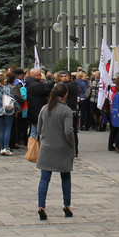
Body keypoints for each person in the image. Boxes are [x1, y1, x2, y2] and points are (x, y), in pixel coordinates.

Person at [35, 82, 76, 221]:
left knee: (44, 178)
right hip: (62, 147)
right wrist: (72, 144)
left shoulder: (44, 108)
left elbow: (39, 128)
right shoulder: (66, 110)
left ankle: (41, 207)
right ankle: (67, 205)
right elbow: (69, 130)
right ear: (65, 95)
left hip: (46, 147)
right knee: (65, 177)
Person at [0, 74, 15, 155]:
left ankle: (1, 148)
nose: (6, 79)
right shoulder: (7, 88)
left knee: (1, 129)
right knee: (7, 129)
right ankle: (6, 147)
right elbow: (12, 98)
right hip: (8, 109)